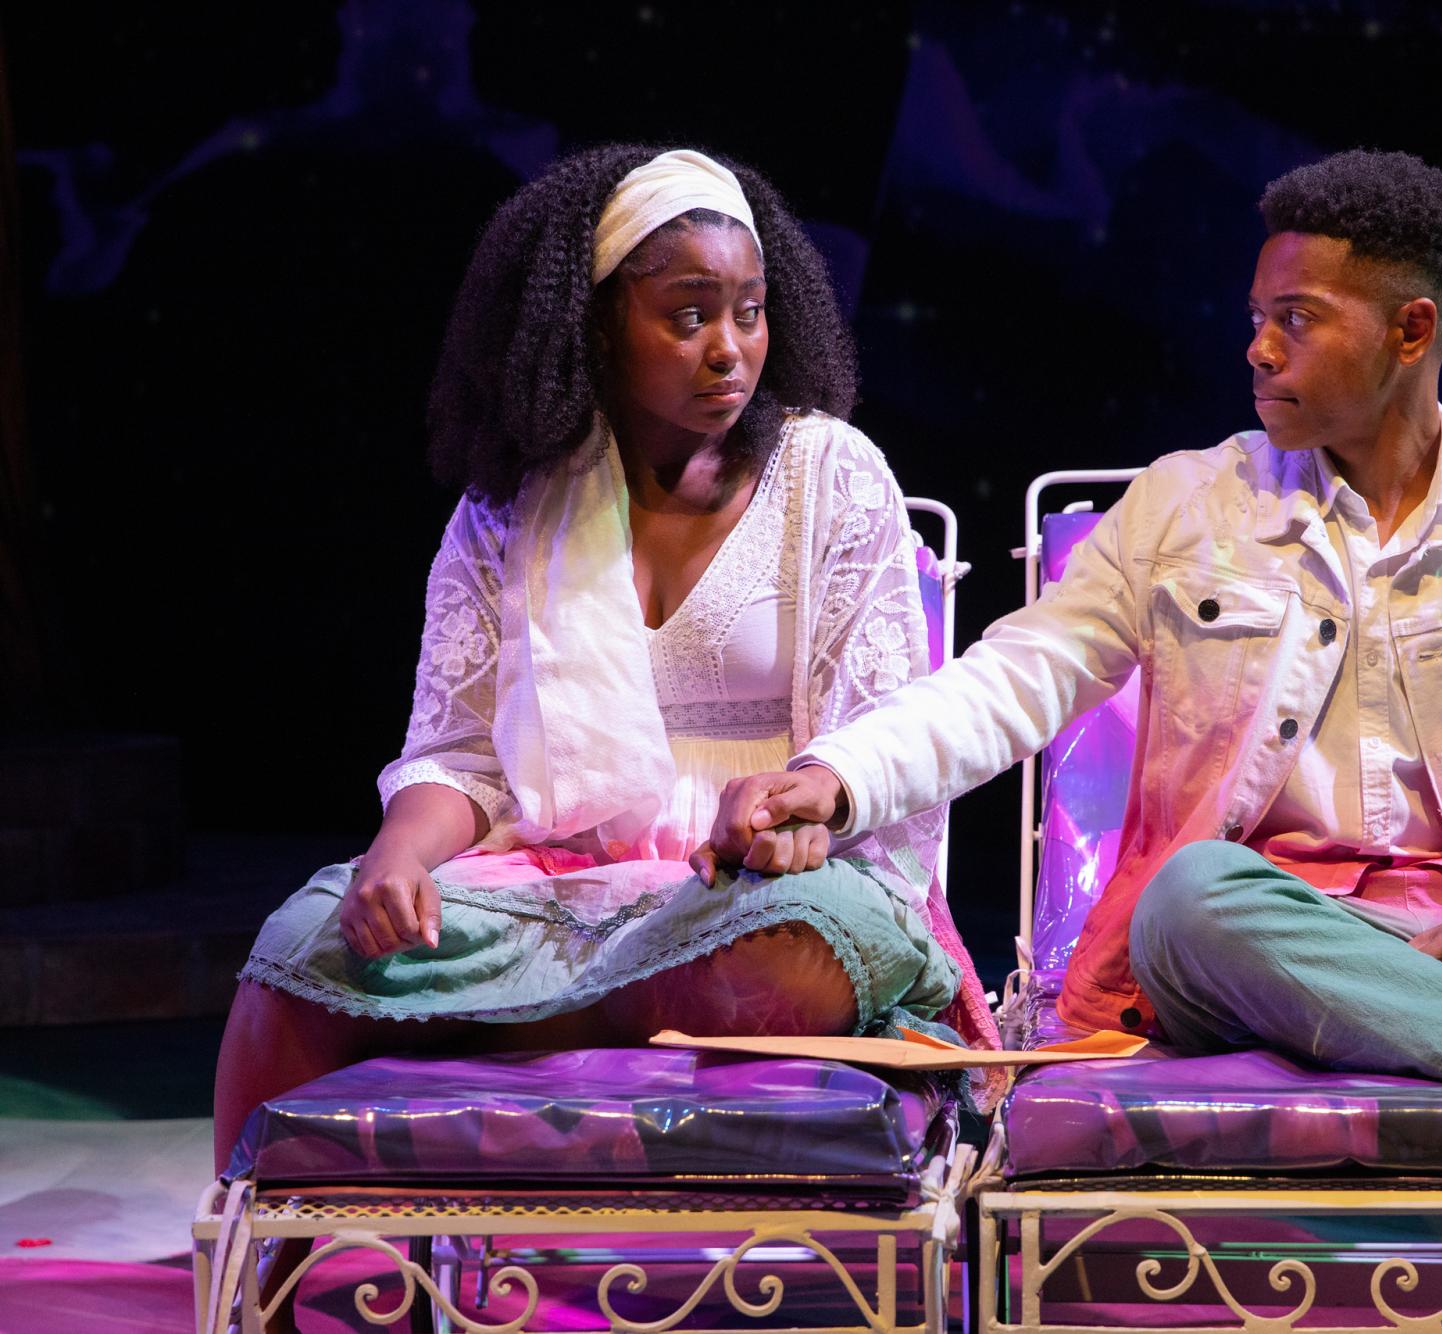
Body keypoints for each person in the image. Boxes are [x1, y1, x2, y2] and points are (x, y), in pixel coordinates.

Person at [707, 150, 1442, 1331]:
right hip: (1263, 935)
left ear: (1409, 329)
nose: (1255, 347)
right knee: (1190, 896)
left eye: (1294, 320)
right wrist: (836, 778)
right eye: (1255, 317)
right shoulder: (1188, 504)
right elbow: (1008, 681)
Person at [213, 144, 996, 1178]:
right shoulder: (511, 504)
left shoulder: (830, 474)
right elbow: (458, 756)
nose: (729, 348)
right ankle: (265, 1264)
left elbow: (879, 742)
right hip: (562, 890)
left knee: (800, 942)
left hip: (765, 892)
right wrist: (397, 855)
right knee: (302, 944)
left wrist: (799, 813)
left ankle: (480, 1025)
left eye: (749, 311)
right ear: (594, 326)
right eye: (687, 316)